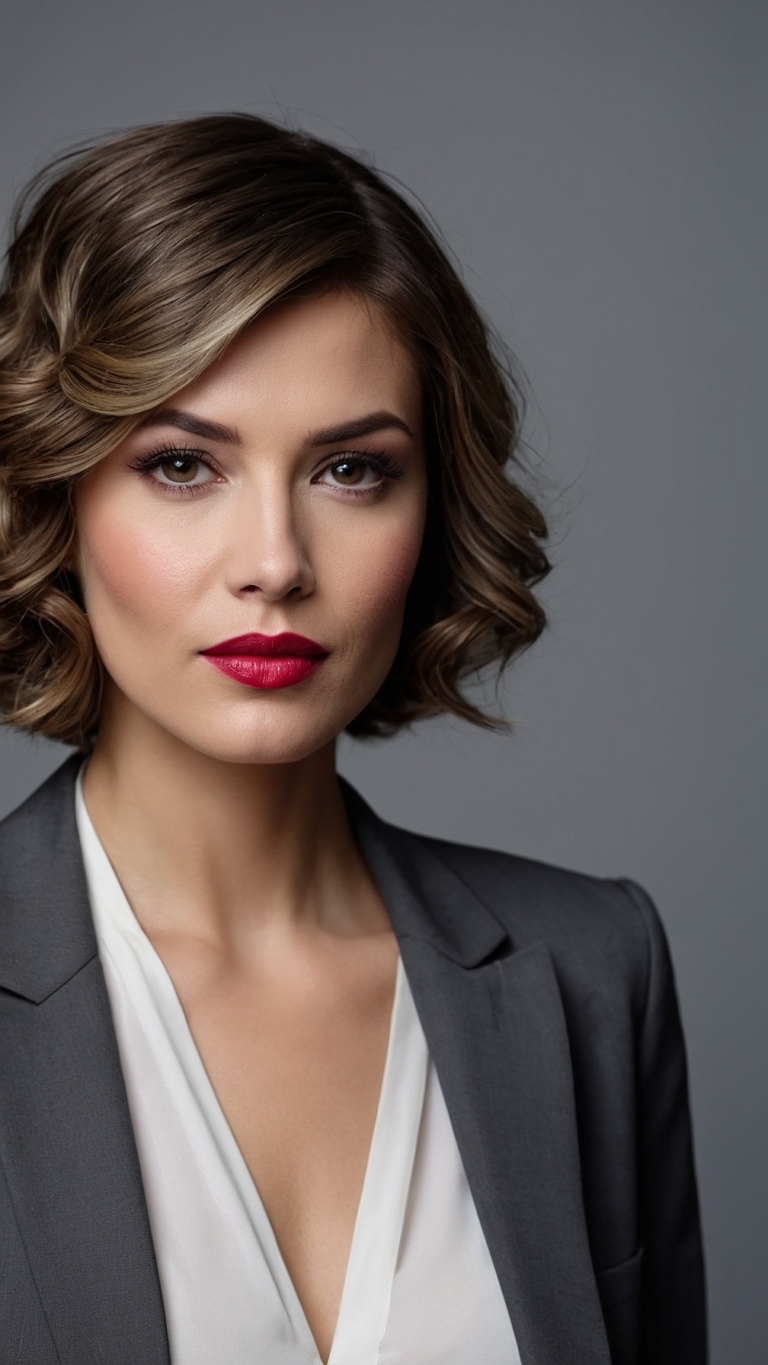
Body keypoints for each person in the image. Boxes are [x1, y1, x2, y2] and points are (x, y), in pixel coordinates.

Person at [0, 115, 705, 1365]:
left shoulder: (593, 974)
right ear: (55, 489)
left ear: (433, 508)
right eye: (180, 465)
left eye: (350, 472)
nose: (273, 564)